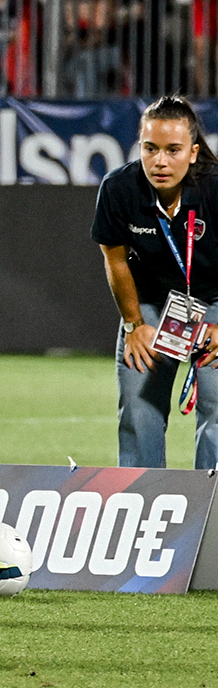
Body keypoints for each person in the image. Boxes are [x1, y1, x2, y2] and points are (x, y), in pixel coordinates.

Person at [93, 96, 218, 470]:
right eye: (150, 148)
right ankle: (143, 506)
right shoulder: (119, 189)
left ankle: (212, 515)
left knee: (217, 406)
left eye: (173, 150)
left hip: (214, 300)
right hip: (150, 303)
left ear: (193, 152)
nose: (160, 161)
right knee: (138, 408)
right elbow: (115, 260)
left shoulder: (214, 189)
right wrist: (134, 325)